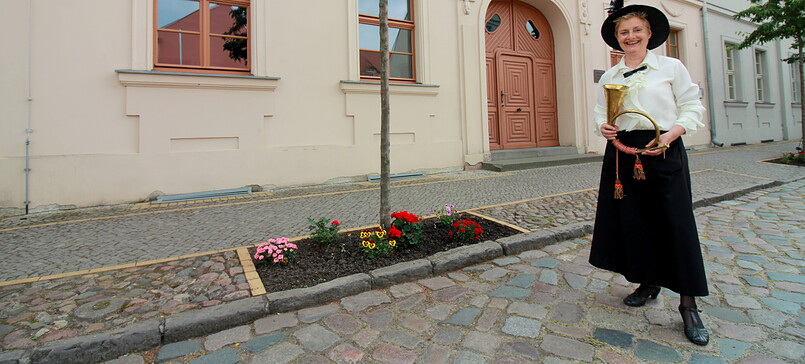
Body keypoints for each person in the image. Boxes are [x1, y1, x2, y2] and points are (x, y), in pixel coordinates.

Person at [589, 2, 710, 346]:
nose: (631, 36)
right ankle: (648, 282)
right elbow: (601, 110)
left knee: (676, 223)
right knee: (635, 220)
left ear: (649, 33)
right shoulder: (611, 75)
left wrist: (673, 134)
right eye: (624, 32)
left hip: (664, 147)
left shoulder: (670, 66)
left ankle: (688, 304)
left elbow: (691, 105)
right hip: (623, 153)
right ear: (616, 38)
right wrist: (604, 126)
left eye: (636, 30)